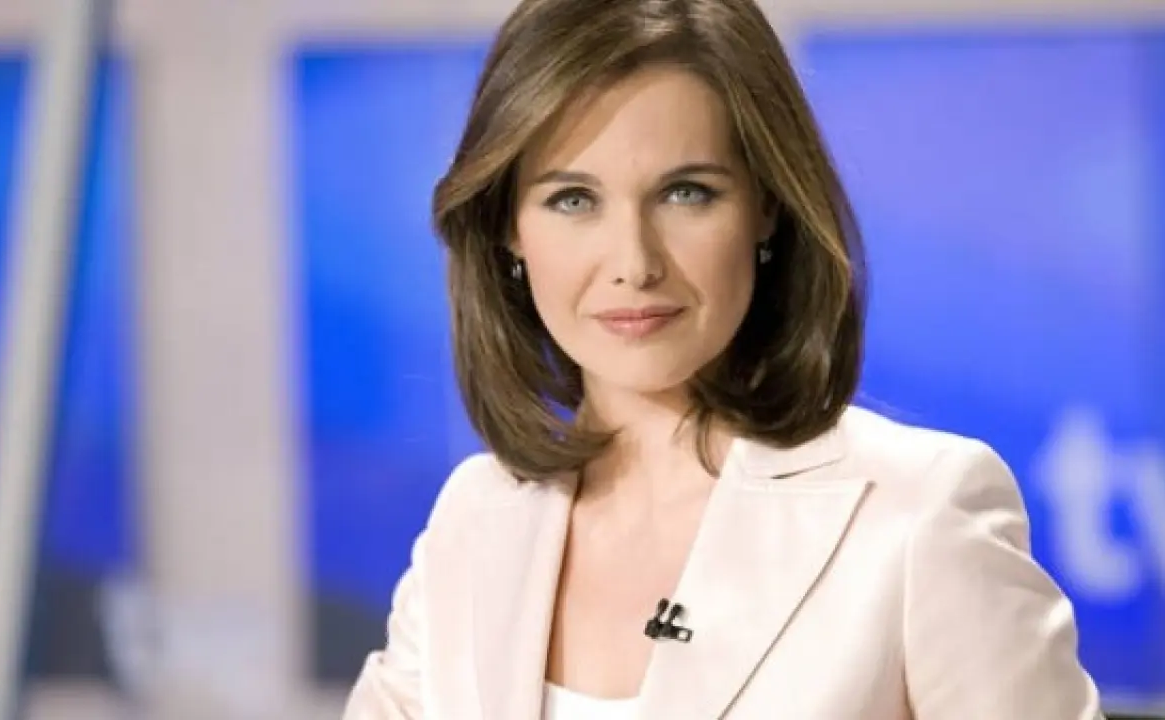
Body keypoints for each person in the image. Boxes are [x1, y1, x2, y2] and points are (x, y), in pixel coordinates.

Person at [344, 0, 1103, 717]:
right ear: (508, 228)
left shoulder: (919, 510)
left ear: (765, 205)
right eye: (573, 199)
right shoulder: (475, 518)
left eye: (686, 193)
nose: (633, 263)